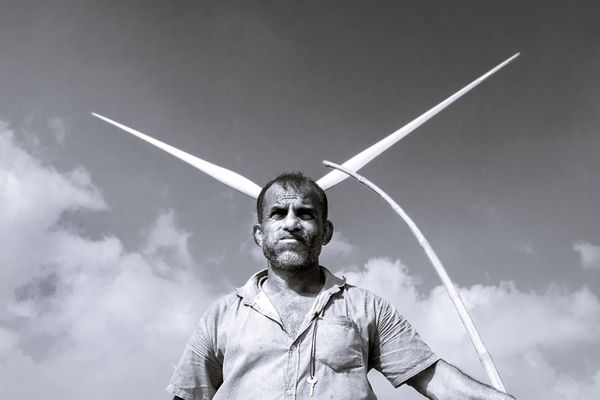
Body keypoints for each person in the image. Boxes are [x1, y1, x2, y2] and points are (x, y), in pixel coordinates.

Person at [167, 172, 515, 400]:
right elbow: (187, 396)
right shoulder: (221, 315)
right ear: (259, 234)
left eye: (305, 214)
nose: (291, 223)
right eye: (277, 214)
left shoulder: (367, 308)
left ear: (326, 231)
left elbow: (434, 378)